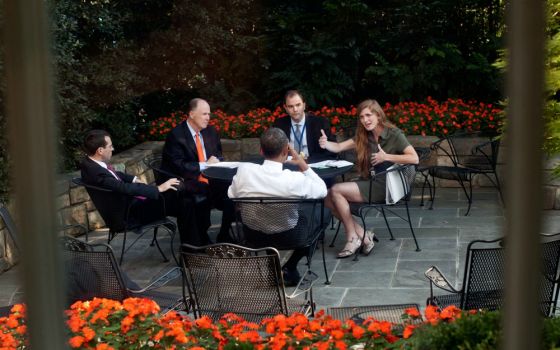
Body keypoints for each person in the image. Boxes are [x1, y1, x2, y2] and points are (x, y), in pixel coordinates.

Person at [318, 99, 419, 258]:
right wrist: (326, 144)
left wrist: (386, 157)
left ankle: (352, 237)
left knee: (336, 190)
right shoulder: (364, 135)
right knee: (327, 198)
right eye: (361, 117)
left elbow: (414, 158)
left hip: (387, 185)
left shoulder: (394, 134)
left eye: (368, 115)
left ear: (378, 115)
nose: (365, 120)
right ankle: (364, 235)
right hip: (370, 181)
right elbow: (338, 147)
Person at [228, 127, 328, 286]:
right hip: (289, 236)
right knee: (324, 213)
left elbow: (231, 194)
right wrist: (303, 165)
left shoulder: (244, 171)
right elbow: (322, 191)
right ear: (285, 151)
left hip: (253, 235)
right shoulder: (293, 179)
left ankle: (274, 267)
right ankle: (290, 266)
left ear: (261, 151)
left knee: (265, 214)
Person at [80, 129, 195, 244]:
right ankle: (192, 246)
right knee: (184, 201)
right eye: (110, 146)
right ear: (100, 150)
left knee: (184, 199)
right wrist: (158, 189)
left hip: (131, 206)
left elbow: (113, 175)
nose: (113, 149)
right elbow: (124, 187)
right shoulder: (97, 172)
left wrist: (133, 178)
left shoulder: (90, 164)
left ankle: (193, 244)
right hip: (129, 216)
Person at [160, 98, 234, 245]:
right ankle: (199, 240)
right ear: (192, 114)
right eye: (204, 114)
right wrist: (205, 165)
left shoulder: (211, 132)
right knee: (199, 194)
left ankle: (224, 235)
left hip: (209, 180)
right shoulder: (176, 135)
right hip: (184, 181)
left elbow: (218, 155)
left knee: (234, 191)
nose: (208, 118)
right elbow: (178, 166)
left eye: (209, 114)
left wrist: (216, 159)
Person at [273, 90, 336, 161]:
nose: (295, 109)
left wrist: (326, 144)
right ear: (286, 108)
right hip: (289, 166)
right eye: (290, 106)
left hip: (313, 165)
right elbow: (273, 150)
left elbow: (333, 151)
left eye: (298, 105)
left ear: (304, 105)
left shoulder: (320, 123)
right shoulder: (279, 124)